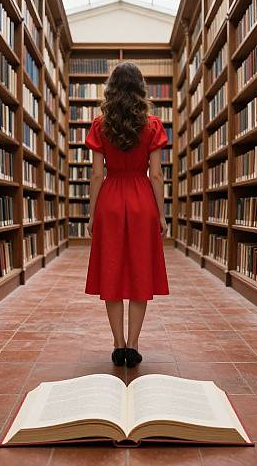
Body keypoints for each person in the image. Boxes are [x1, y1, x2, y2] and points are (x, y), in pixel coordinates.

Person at [84, 61, 170, 368]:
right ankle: (133, 345)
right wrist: (161, 215)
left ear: (111, 89)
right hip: (142, 200)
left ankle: (117, 344)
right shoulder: (153, 125)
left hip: (110, 198)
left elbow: (96, 175)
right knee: (139, 273)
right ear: (140, 88)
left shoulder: (99, 125)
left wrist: (92, 214)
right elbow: (157, 175)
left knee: (111, 271)